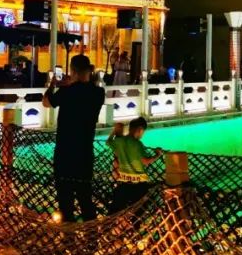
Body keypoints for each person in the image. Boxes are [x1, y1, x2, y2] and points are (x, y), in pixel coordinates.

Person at [42, 54, 105, 223]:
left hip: (65, 153)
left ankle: (68, 235)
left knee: (65, 201)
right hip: (85, 153)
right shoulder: (99, 93)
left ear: (73, 71)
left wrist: (53, 85)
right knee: (86, 199)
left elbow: (46, 102)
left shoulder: (66, 92)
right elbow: (87, 90)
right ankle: (91, 236)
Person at [107, 118, 163, 214]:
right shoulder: (137, 144)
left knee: (114, 213)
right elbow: (145, 161)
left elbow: (108, 142)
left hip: (124, 184)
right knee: (139, 212)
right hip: (139, 185)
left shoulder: (119, 141)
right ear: (140, 130)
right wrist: (158, 154)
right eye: (143, 132)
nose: (142, 135)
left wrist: (115, 131)